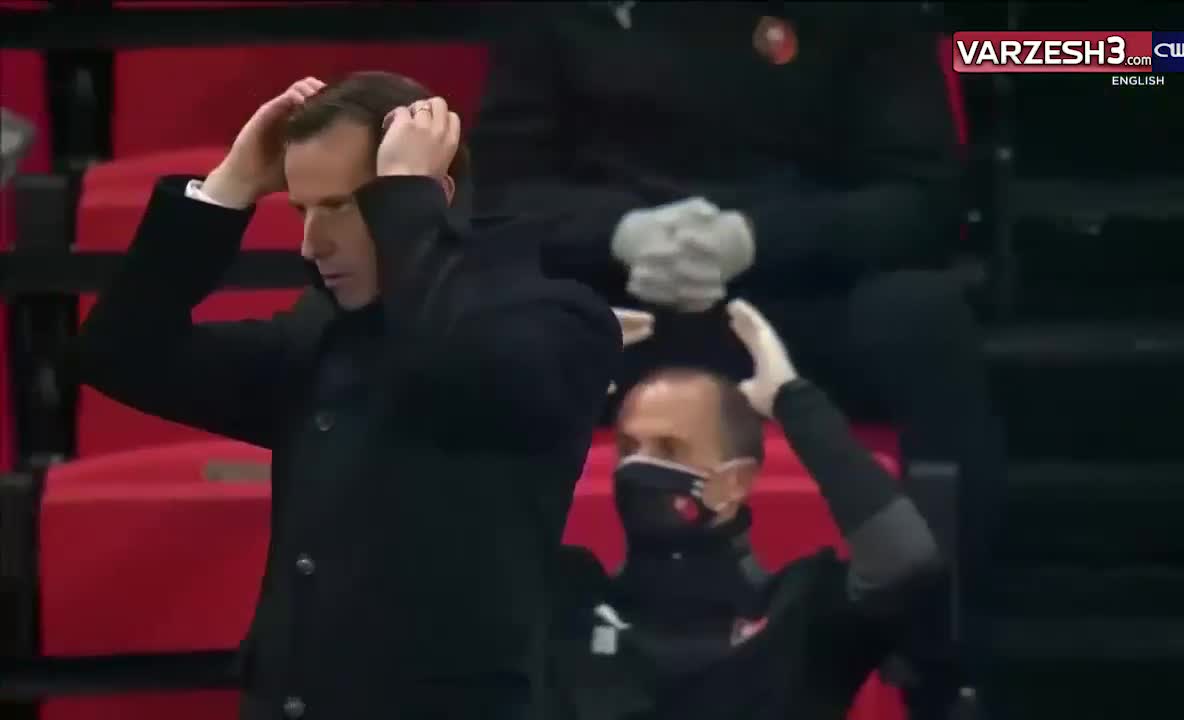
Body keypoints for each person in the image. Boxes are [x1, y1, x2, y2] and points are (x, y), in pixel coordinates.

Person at [470, 5, 1006, 718]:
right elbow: (498, 192)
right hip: (615, 298)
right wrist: (619, 234)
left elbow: (921, 199)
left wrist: (754, 237)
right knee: (484, 325)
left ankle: (940, 670)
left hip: (799, 293)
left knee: (923, 317)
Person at [75, 72, 626, 720]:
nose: (312, 245)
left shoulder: (556, 319)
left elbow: (459, 361)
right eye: (302, 211)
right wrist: (230, 186)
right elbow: (121, 354)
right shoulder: (319, 334)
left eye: (339, 206)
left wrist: (409, 200)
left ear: (434, 195)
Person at [547, 298, 942, 720]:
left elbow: (906, 560)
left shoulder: (798, 613)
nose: (638, 467)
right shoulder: (571, 598)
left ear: (735, 481)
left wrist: (795, 402)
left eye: (669, 449)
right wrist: (538, 389)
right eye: (628, 448)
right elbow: (490, 551)